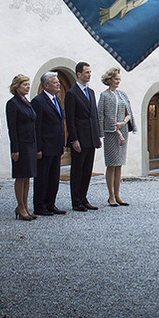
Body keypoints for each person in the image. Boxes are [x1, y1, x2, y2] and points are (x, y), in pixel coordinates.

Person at [64, 61, 101, 211]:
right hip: (79, 137)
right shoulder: (71, 93)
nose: (89, 75)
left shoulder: (91, 92)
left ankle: (84, 197)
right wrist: (74, 139)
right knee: (77, 170)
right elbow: (70, 119)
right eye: (86, 72)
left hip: (91, 136)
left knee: (87, 170)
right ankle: (76, 200)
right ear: (79, 74)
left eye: (90, 72)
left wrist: (97, 135)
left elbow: (94, 115)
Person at [98, 67, 135, 206]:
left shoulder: (122, 94)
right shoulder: (104, 95)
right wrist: (101, 133)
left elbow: (129, 113)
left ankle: (118, 194)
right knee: (112, 164)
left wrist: (123, 123)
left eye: (119, 79)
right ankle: (111, 195)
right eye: (115, 79)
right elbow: (101, 114)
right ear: (109, 80)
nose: (118, 81)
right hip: (111, 133)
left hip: (123, 130)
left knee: (119, 164)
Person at [31, 72, 67, 216]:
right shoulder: (38, 101)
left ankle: (50, 203)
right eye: (54, 82)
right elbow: (37, 126)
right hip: (45, 146)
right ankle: (39, 205)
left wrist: (63, 142)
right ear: (46, 85)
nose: (58, 84)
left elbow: (60, 123)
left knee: (53, 178)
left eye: (58, 82)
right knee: (42, 177)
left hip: (56, 145)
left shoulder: (57, 100)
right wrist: (38, 148)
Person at [6, 74, 38, 221]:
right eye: (25, 84)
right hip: (21, 144)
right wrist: (15, 148)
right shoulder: (13, 103)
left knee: (27, 176)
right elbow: (12, 128)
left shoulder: (26, 101)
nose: (28, 87)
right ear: (17, 86)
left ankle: (25, 206)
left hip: (30, 143)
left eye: (28, 84)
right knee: (20, 176)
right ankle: (20, 206)